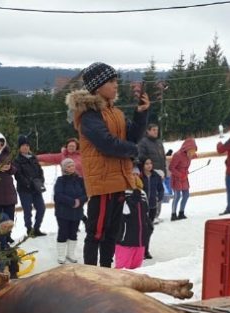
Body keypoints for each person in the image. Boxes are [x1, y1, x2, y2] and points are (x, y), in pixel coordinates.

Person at [66, 61, 149, 267]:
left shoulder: (116, 112)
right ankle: (92, 277)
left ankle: (106, 273)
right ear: (97, 85)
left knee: (112, 233)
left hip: (119, 180)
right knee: (96, 233)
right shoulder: (88, 115)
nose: (116, 85)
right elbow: (107, 144)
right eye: (111, 81)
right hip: (102, 183)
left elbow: (133, 136)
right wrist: (133, 151)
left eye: (115, 81)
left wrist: (141, 114)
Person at [52, 158, 87, 264]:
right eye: (68, 166)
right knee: (63, 233)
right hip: (63, 213)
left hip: (77, 213)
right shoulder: (60, 180)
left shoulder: (80, 180)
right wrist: (72, 202)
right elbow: (58, 196)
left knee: (73, 233)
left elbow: (86, 194)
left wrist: (79, 201)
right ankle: (61, 255)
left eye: (72, 165)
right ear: (64, 168)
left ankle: (71, 253)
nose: (71, 167)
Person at [13, 134, 48, 237]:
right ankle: (29, 229)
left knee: (41, 208)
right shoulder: (17, 160)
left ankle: (37, 228)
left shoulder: (34, 158)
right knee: (27, 211)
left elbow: (40, 171)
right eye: (23, 145)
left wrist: (40, 181)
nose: (26, 147)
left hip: (36, 188)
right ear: (19, 147)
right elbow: (18, 175)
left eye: (27, 145)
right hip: (24, 189)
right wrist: (28, 184)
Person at [113, 188, 151, 270]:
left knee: (136, 271)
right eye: (132, 174)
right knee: (122, 271)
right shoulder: (121, 193)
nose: (133, 176)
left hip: (140, 241)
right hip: (125, 242)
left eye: (136, 174)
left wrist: (148, 229)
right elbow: (119, 214)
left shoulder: (142, 193)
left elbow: (145, 214)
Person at [136, 158, 162, 259]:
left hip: (152, 207)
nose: (149, 165)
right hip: (142, 207)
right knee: (142, 229)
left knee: (149, 229)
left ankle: (146, 250)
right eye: (147, 163)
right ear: (142, 165)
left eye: (151, 163)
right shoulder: (139, 176)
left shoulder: (156, 176)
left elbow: (160, 189)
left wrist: (159, 197)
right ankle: (140, 251)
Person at [137, 123, 168, 202]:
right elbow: (141, 158)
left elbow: (163, 159)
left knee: (158, 199)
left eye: (157, 130)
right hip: (149, 176)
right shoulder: (143, 142)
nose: (156, 132)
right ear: (148, 131)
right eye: (153, 130)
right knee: (148, 199)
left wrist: (164, 172)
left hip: (160, 175)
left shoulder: (159, 142)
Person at [168, 138, 196, 221]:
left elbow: (190, 158)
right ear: (186, 149)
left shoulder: (189, 155)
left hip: (184, 178)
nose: (192, 153)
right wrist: (180, 175)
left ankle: (181, 212)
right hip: (177, 178)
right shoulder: (177, 155)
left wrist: (195, 155)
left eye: (193, 151)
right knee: (177, 196)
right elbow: (171, 168)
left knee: (186, 195)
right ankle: (173, 214)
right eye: (190, 151)